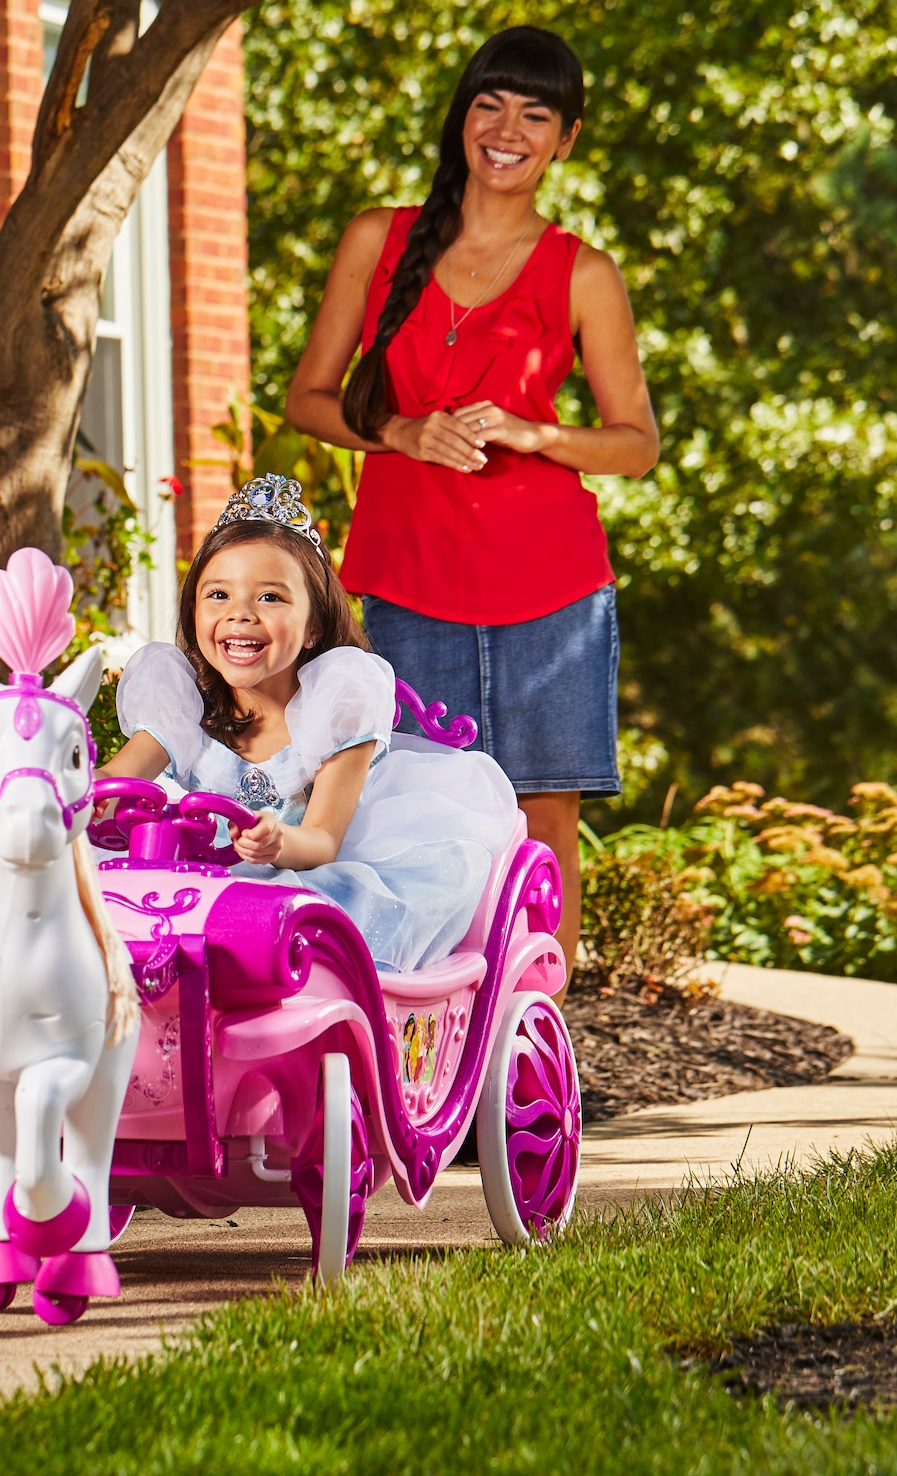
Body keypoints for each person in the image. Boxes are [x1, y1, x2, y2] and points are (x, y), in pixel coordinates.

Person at [279, 24, 659, 979]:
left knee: (542, 817)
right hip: (408, 580)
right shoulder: (379, 239)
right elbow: (307, 397)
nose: (508, 129)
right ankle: (425, 1052)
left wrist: (538, 435)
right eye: (490, 103)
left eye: (536, 114)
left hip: (553, 590)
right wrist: (401, 434)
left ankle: (535, 1059)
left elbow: (637, 444)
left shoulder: (584, 273)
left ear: (565, 139)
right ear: (463, 117)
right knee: (417, 814)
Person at [99, 475, 515, 973]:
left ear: (314, 625)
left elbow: (321, 840)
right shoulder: (179, 703)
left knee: (281, 922)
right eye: (218, 595)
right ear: (193, 612)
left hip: (296, 884)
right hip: (194, 887)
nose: (240, 615)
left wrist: (279, 842)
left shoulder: (339, 705)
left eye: (270, 598)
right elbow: (115, 782)